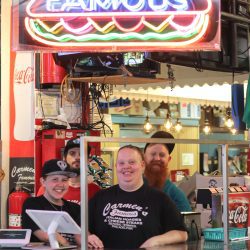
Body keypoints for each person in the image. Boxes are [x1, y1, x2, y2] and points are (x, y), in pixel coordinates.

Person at [88, 145, 187, 249]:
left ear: (142, 165)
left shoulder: (160, 199)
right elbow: (80, 229)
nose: (126, 166)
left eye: (132, 162)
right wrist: (88, 237)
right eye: (121, 163)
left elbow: (181, 233)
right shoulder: (100, 197)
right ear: (116, 166)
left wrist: (156, 241)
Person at [22, 159, 81, 247]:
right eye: (55, 179)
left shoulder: (75, 208)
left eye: (64, 180)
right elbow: (46, 235)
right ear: (43, 182)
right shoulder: (32, 204)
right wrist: (67, 244)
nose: (60, 184)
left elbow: (81, 236)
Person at [37, 138, 100, 204]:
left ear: (88, 160)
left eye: (82, 154)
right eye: (72, 153)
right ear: (64, 158)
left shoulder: (95, 191)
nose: (77, 157)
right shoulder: (47, 188)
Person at [144, 131, 192, 212]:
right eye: (153, 154)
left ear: (168, 159)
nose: (157, 158)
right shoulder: (133, 186)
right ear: (144, 157)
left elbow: (188, 223)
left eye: (162, 155)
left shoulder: (176, 195)